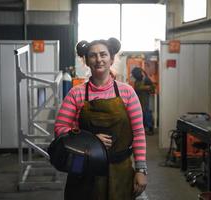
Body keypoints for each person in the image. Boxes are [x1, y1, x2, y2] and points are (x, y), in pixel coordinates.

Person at [54, 38, 148, 200]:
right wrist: (90, 141)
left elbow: (138, 133)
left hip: (119, 167)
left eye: (103, 54)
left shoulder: (127, 92)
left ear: (111, 59)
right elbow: (60, 129)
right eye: (93, 56)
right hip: (81, 164)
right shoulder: (76, 93)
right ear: (87, 61)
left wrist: (141, 169)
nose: (98, 59)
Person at [131, 67, 155, 135]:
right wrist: (145, 88)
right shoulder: (138, 80)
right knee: (142, 114)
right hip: (139, 100)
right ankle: (144, 128)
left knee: (147, 114)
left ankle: (150, 128)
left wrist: (148, 88)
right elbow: (137, 88)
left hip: (145, 100)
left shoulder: (146, 79)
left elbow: (153, 88)